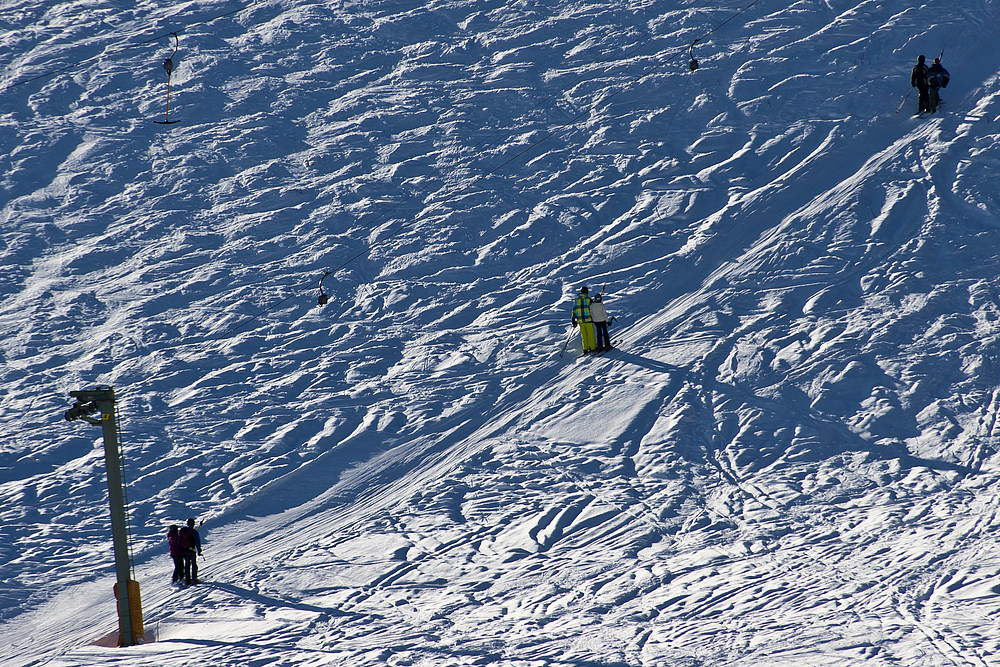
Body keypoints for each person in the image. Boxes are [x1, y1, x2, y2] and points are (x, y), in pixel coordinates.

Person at [571, 286, 596, 353]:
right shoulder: (588, 299)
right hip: (588, 320)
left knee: (584, 335)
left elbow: (574, 310)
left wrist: (573, 319)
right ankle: (593, 348)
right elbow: (592, 309)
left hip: (580, 321)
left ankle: (585, 348)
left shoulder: (577, 300)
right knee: (590, 334)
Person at [178, 518, 202, 585]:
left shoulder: (182, 531)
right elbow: (197, 542)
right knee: (194, 564)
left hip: (184, 550)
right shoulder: (194, 531)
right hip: (192, 550)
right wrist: (199, 550)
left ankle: (187, 579)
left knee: (187, 564)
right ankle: (194, 578)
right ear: (193, 524)